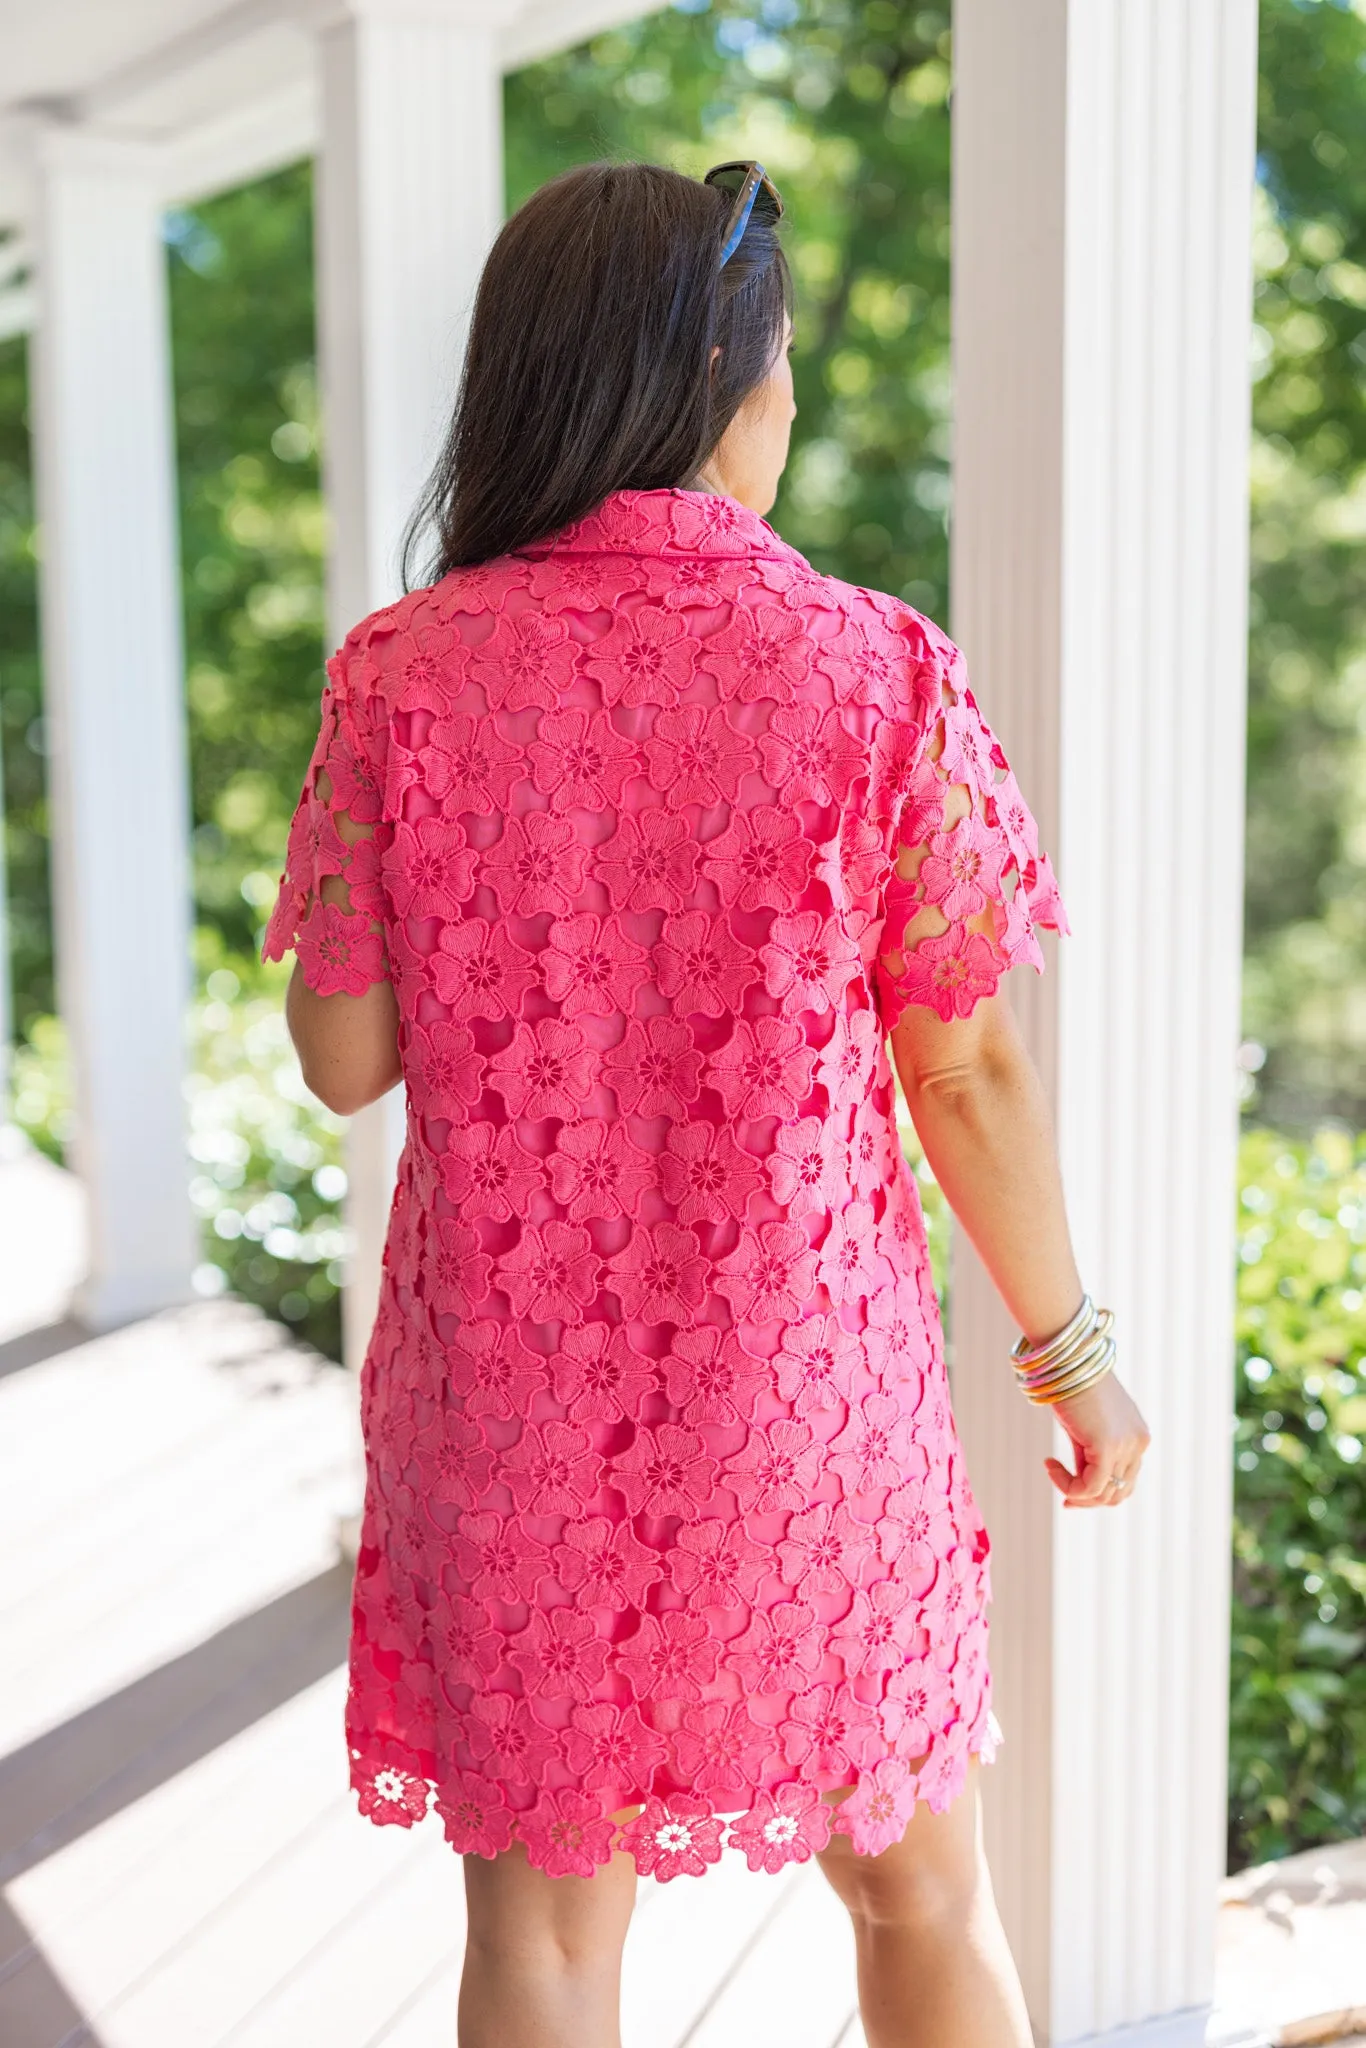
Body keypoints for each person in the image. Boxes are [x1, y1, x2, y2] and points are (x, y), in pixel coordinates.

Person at [266, 159, 1150, 2048]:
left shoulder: (401, 676)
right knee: (920, 1893)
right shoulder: (877, 669)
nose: (798, 405)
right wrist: (1069, 1352)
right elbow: (965, 1062)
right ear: (720, 381)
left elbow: (344, 1064)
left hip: (507, 1411)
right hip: (802, 1405)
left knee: (543, 1948)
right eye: (786, 366)